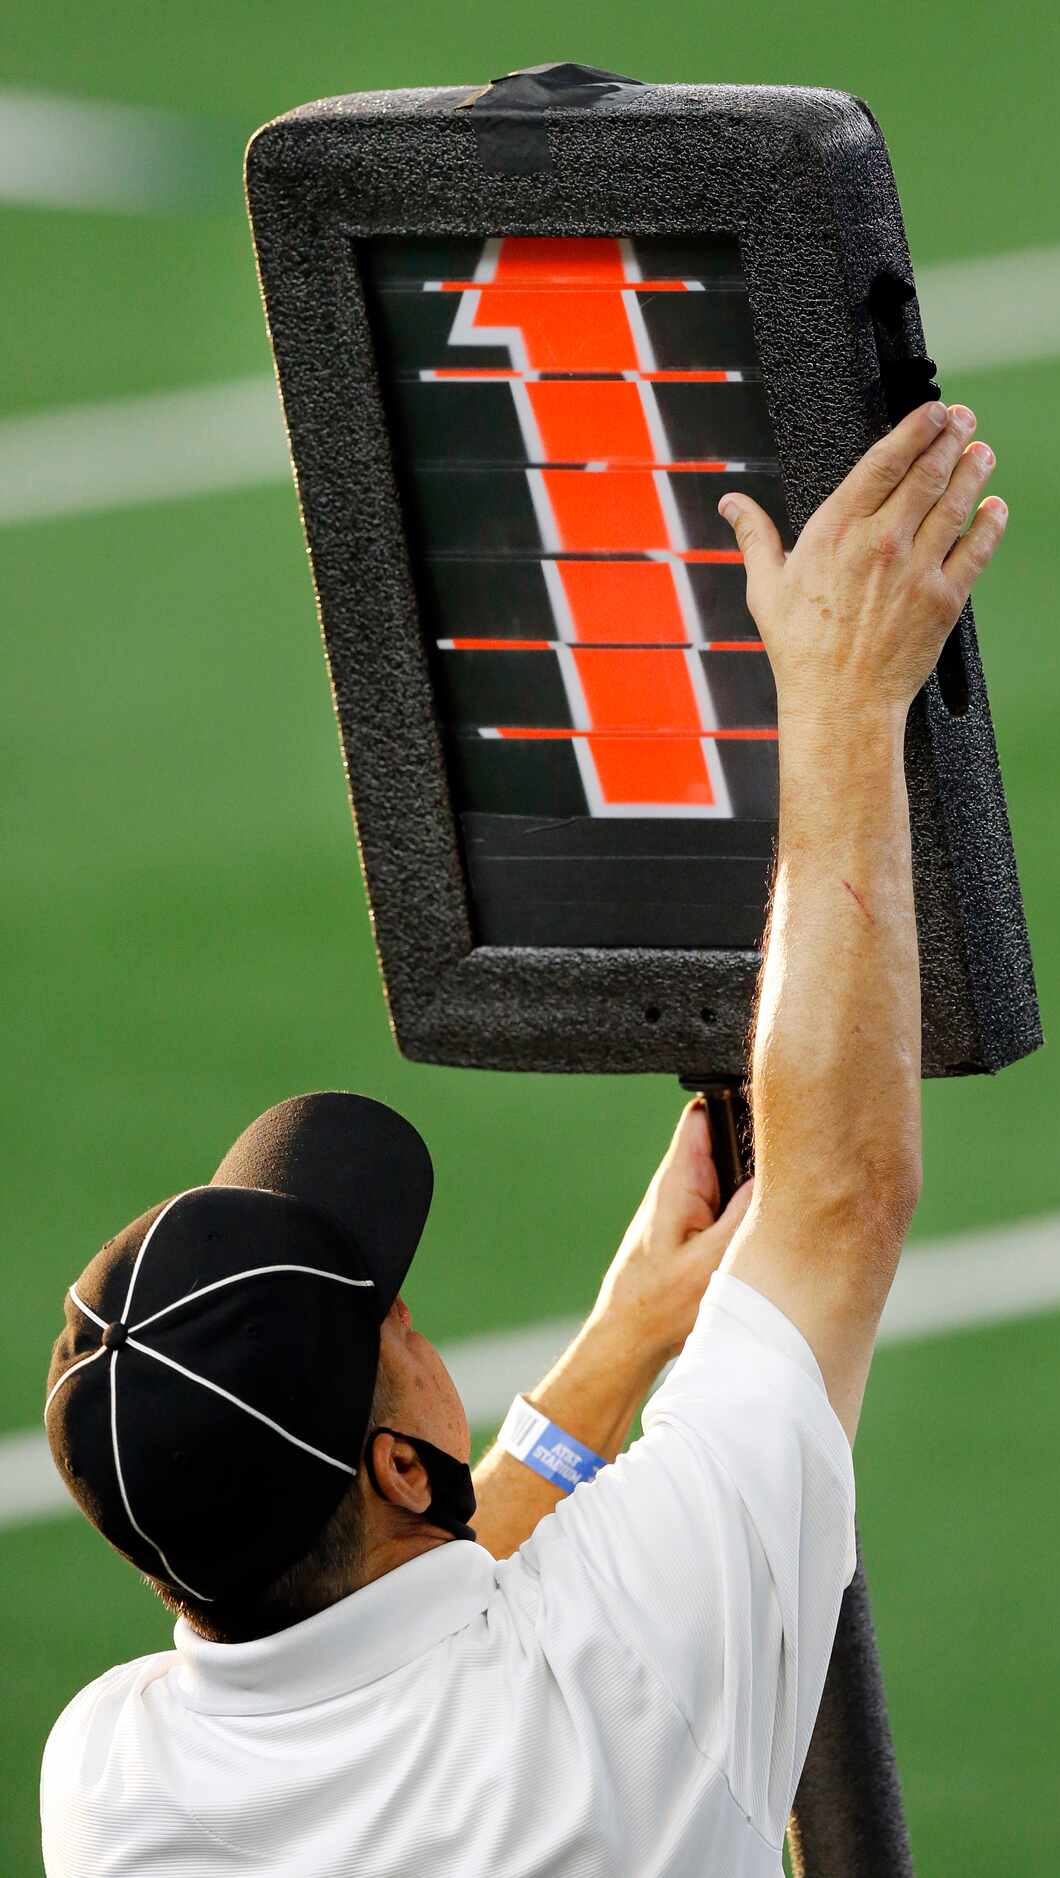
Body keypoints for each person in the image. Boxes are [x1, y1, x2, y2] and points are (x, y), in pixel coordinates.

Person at [40, 398, 1005, 1876]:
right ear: (395, 1462)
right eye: (393, 1318)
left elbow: (388, 1611)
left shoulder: (115, 1786)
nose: (414, 1319)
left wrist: (619, 1348)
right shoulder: (621, 1675)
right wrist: (841, 694)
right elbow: (839, 1196)